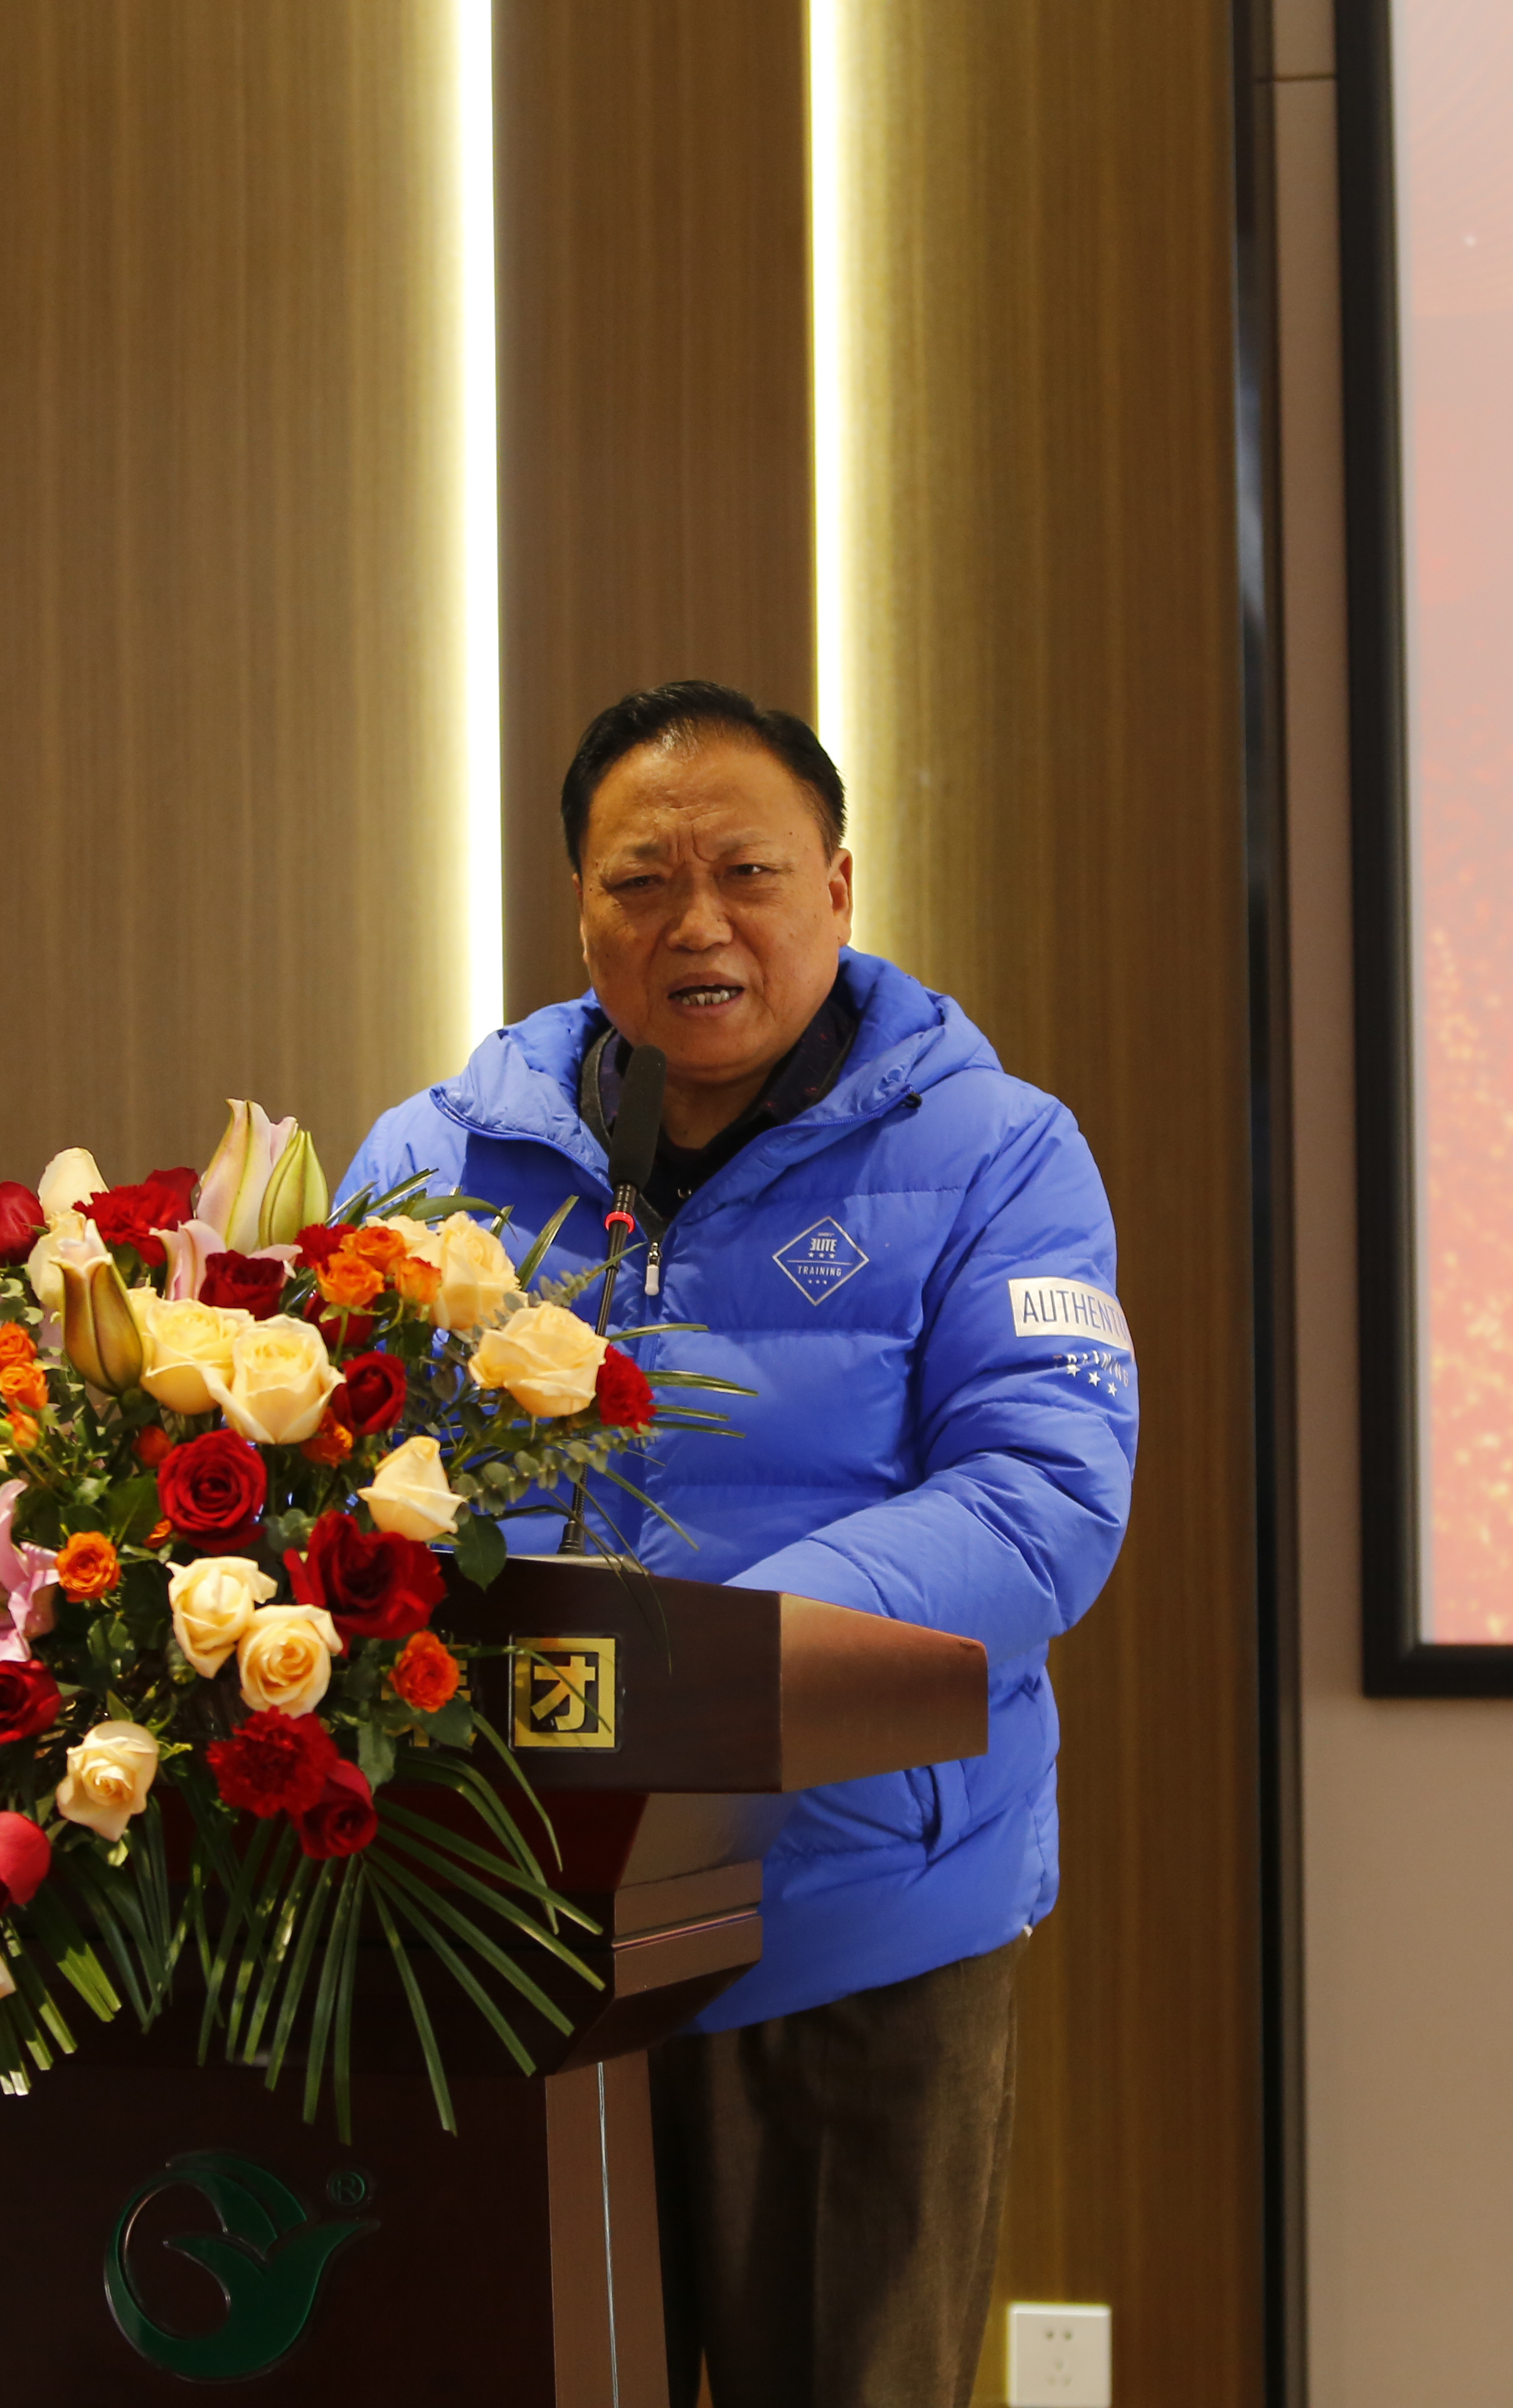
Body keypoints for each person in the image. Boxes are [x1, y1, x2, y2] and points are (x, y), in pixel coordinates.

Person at [340, 682, 1138, 2407]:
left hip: (854, 1919)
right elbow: (334, 1482)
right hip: (512, 1927)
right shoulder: (430, 1160)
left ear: (836, 889)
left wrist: (694, 1670)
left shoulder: (1000, 1153)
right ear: (579, 909)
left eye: (748, 874)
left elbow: (1043, 1503)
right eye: (641, 881)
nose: (697, 924)